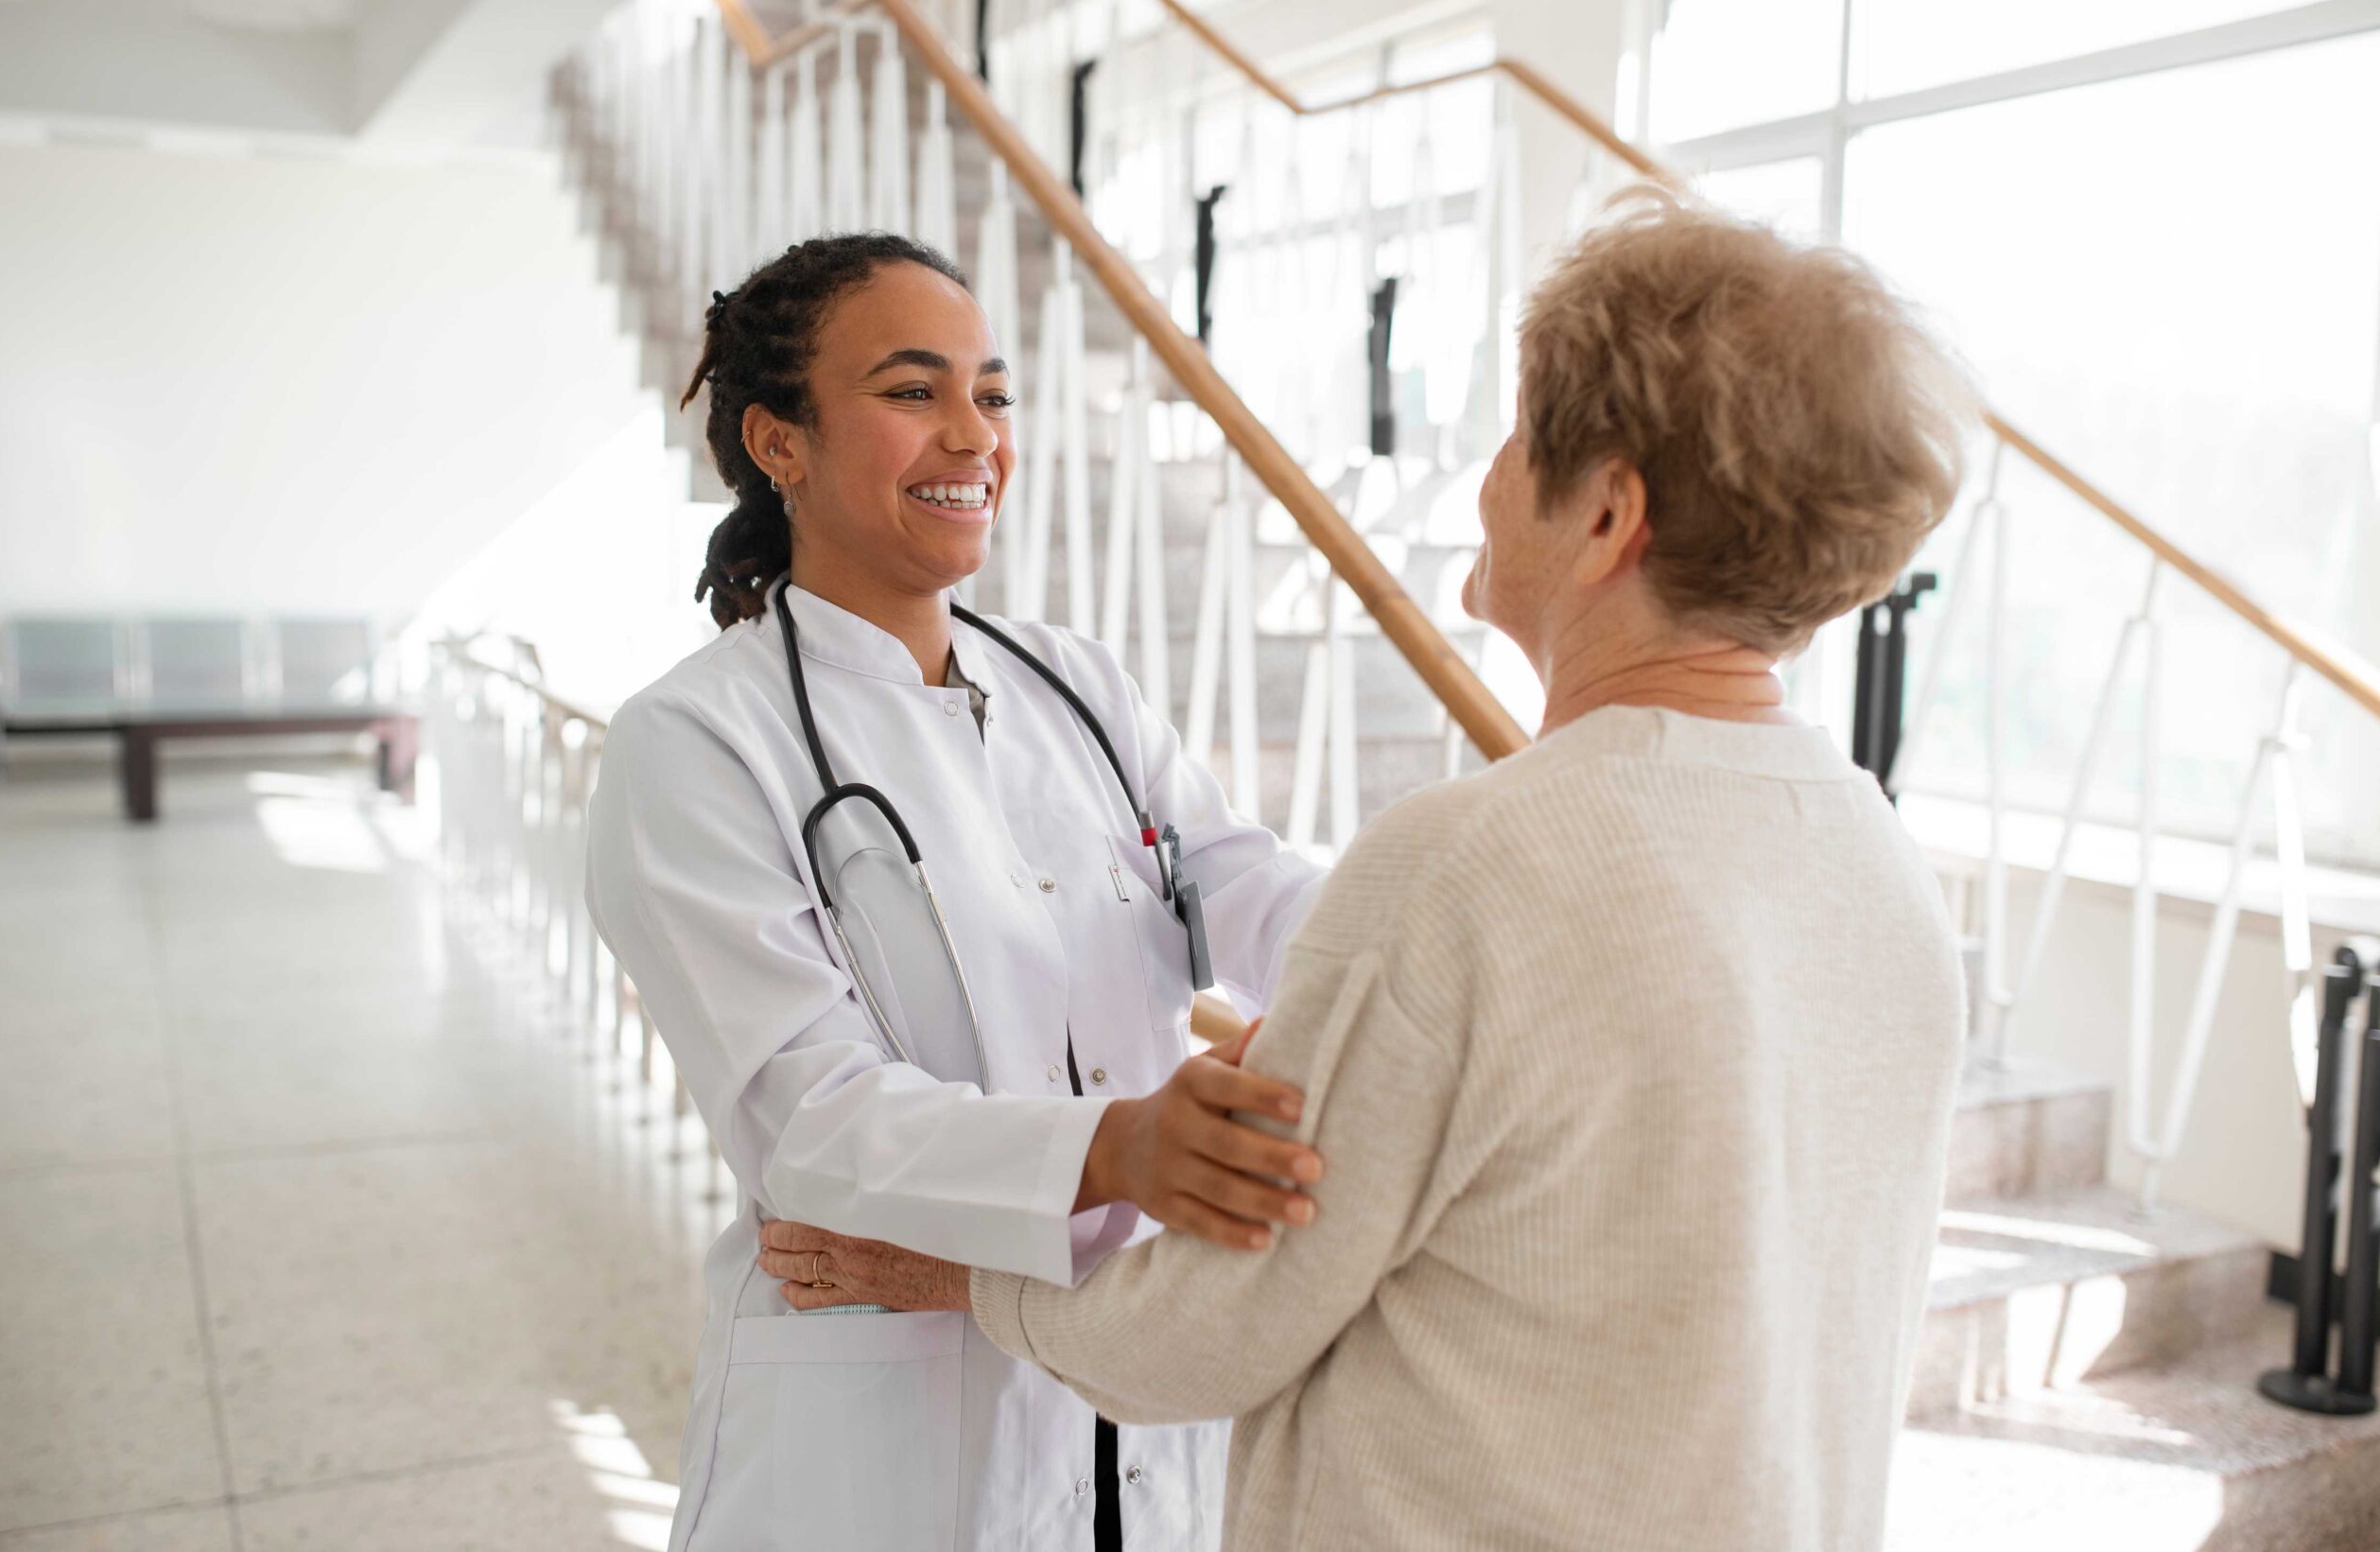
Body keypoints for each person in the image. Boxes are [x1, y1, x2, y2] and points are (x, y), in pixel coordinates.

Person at [765, 189, 1976, 1551]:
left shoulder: (1467, 864)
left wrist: (969, 1279)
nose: (1488, 475)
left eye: (1523, 440)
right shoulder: (1886, 867)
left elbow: (1206, 1335)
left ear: (1607, 516)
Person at [583, 234, 1330, 1552]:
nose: (973, 435)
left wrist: (1413, 950)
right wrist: (1121, 1150)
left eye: (992, 394)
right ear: (780, 442)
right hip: (880, 1446)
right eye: (914, 391)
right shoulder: (695, 743)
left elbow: (1240, 882)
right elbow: (808, 1122)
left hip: (1132, 1406)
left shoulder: (1077, 685)